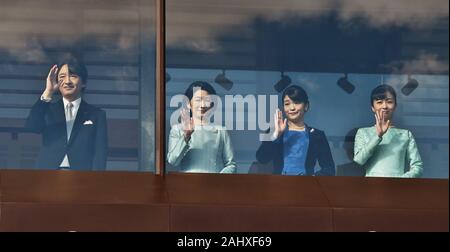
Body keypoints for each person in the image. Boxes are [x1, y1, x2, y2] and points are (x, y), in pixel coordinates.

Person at [25, 55, 108, 170]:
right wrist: (48, 92)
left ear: (83, 82)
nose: (67, 81)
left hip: (82, 176)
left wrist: (95, 182)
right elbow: (32, 127)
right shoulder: (47, 109)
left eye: (73, 76)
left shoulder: (97, 114)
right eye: (62, 77)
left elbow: (100, 152)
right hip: (47, 174)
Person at [256, 85, 335, 176]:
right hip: (279, 187)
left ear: (306, 106)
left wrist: (311, 180)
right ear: (283, 108)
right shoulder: (274, 130)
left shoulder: (317, 135)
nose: (292, 108)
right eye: (287, 104)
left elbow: (329, 169)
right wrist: (275, 136)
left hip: (306, 189)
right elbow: (262, 159)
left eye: (296, 102)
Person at [353, 84, 423, 178]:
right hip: (371, 188)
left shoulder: (405, 134)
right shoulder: (363, 132)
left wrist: (399, 181)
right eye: (379, 102)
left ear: (395, 106)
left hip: (397, 189)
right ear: (372, 107)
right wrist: (378, 136)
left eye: (389, 102)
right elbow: (358, 160)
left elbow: (417, 167)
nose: (384, 106)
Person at [167, 81, 236, 173]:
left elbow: (231, 164)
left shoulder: (220, 131)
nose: (203, 105)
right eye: (198, 100)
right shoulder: (178, 129)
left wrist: (218, 180)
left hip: (214, 186)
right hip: (187, 185)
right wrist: (186, 136)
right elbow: (172, 161)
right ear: (188, 103)